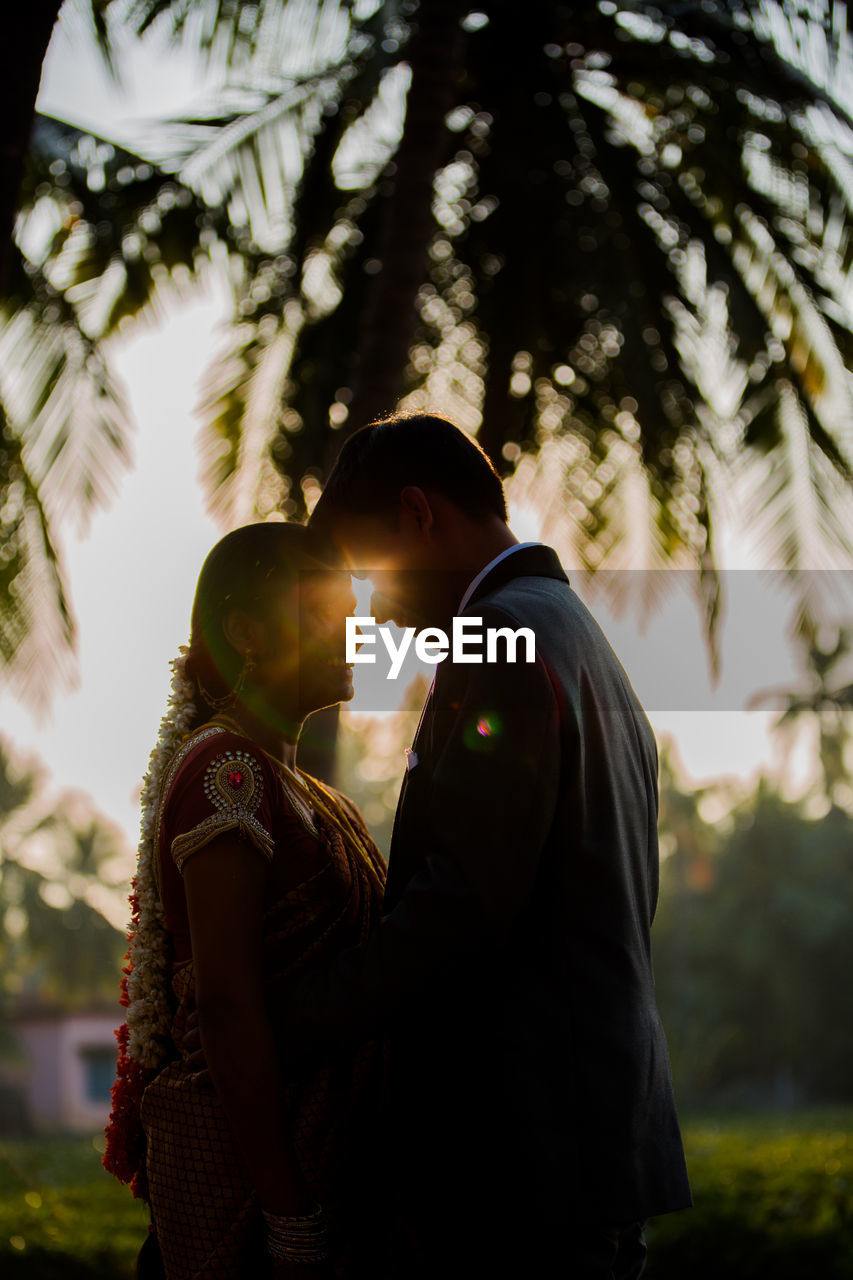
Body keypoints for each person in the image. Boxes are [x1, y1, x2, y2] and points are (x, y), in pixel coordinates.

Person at [103, 522, 387, 1279]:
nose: (349, 628)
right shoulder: (228, 769)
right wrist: (288, 1210)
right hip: (247, 1177)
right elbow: (227, 1003)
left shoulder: (311, 793)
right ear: (245, 631)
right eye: (320, 610)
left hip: (321, 1153)